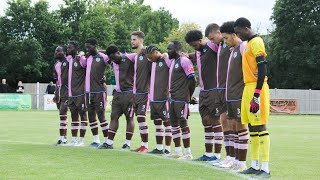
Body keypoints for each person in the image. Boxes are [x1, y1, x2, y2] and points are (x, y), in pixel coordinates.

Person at [234, 17, 271, 178]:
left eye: (238, 32)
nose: (238, 35)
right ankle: (254, 165)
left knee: (261, 126)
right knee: (252, 128)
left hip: (257, 88)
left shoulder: (257, 42)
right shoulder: (248, 44)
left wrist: (256, 94)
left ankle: (265, 168)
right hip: (248, 87)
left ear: (246, 28)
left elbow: (262, 68)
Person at [184, 29, 224, 162]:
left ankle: (217, 156)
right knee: (206, 121)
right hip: (203, 91)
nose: (194, 48)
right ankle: (207, 154)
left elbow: (222, 44)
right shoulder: (198, 51)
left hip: (214, 90)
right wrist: (187, 55)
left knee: (216, 121)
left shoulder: (212, 46)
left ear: (201, 40)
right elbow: (194, 55)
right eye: (192, 46)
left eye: (195, 45)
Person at [220, 21, 249, 172]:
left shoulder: (243, 46)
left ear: (233, 35)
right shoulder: (233, 50)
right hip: (230, 96)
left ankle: (242, 162)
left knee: (241, 127)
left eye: (226, 38)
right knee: (234, 128)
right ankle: (237, 160)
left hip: (239, 95)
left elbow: (254, 65)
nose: (225, 41)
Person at [204, 23, 232, 166]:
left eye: (212, 38)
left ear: (219, 32)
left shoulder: (231, 44)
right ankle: (228, 157)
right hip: (219, 89)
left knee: (232, 124)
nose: (211, 41)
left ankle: (234, 158)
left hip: (230, 89)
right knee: (223, 123)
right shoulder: (220, 46)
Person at [99, 45, 136, 150]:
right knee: (113, 117)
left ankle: (127, 143)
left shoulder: (130, 57)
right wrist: (99, 50)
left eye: (114, 57)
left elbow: (142, 54)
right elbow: (100, 54)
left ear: (118, 52)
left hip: (129, 92)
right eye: (110, 58)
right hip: (118, 93)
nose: (113, 60)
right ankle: (109, 142)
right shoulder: (112, 61)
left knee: (129, 117)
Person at [166, 40, 196, 160]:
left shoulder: (185, 61)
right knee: (173, 124)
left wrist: (189, 95)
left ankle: (188, 153)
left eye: (169, 49)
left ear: (177, 49)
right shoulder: (173, 62)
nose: (167, 51)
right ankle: (178, 151)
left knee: (183, 123)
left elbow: (192, 80)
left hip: (181, 98)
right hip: (172, 98)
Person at [80, 38, 109, 148]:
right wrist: (82, 54)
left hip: (99, 91)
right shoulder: (87, 58)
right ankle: (96, 140)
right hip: (88, 92)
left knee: (101, 115)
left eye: (89, 47)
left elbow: (114, 62)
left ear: (95, 46)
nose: (87, 49)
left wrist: (105, 78)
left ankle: (107, 141)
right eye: (86, 47)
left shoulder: (103, 57)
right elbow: (81, 61)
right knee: (91, 116)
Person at [145, 45, 172, 154]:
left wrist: (165, 55)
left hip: (163, 98)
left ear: (156, 52)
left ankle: (168, 149)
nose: (149, 59)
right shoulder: (153, 63)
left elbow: (171, 60)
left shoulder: (165, 59)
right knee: (157, 123)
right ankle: (159, 148)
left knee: (167, 123)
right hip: (153, 98)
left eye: (150, 57)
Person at [130, 31, 152, 153]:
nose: (132, 42)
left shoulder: (147, 53)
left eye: (134, 39)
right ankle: (143, 145)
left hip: (145, 92)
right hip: (136, 93)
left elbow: (160, 55)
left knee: (142, 118)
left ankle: (146, 146)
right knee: (139, 119)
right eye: (132, 39)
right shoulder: (137, 56)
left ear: (141, 40)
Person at [66, 41, 88, 146]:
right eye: (67, 47)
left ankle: (81, 141)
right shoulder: (69, 59)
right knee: (73, 117)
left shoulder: (81, 59)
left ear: (75, 48)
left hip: (81, 93)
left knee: (83, 116)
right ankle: (74, 140)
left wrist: (82, 54)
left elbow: (89, 63)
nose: (68, 49)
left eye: (70, 47)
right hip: (71, 94)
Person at [53, 45, 69, 145]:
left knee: (64, 111)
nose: (56, 52)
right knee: (62, 115)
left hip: (69, 90)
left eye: (58, 51)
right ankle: (63, 138)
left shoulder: (69, 61)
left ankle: (66, 138)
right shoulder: (56, 64)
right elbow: (57, 80)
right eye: (55, 51)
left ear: (64, 52)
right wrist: (56, 93)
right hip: (59, 90)